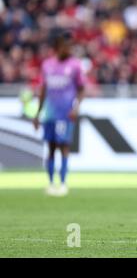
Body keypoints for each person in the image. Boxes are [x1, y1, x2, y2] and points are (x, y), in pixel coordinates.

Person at [33, 30, 85, 196]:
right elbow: (43, 90)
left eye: (70, 46)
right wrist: (37, 113)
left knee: (64, 146)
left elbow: (82, 89)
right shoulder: (47, 65)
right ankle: (50, 182)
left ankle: (63, 183)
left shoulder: (75, 65)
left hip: (65, 113)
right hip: (49, 113)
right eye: (65, 46)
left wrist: (76, 108)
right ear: (57, 46)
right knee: (50, 147)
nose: (68, 49)